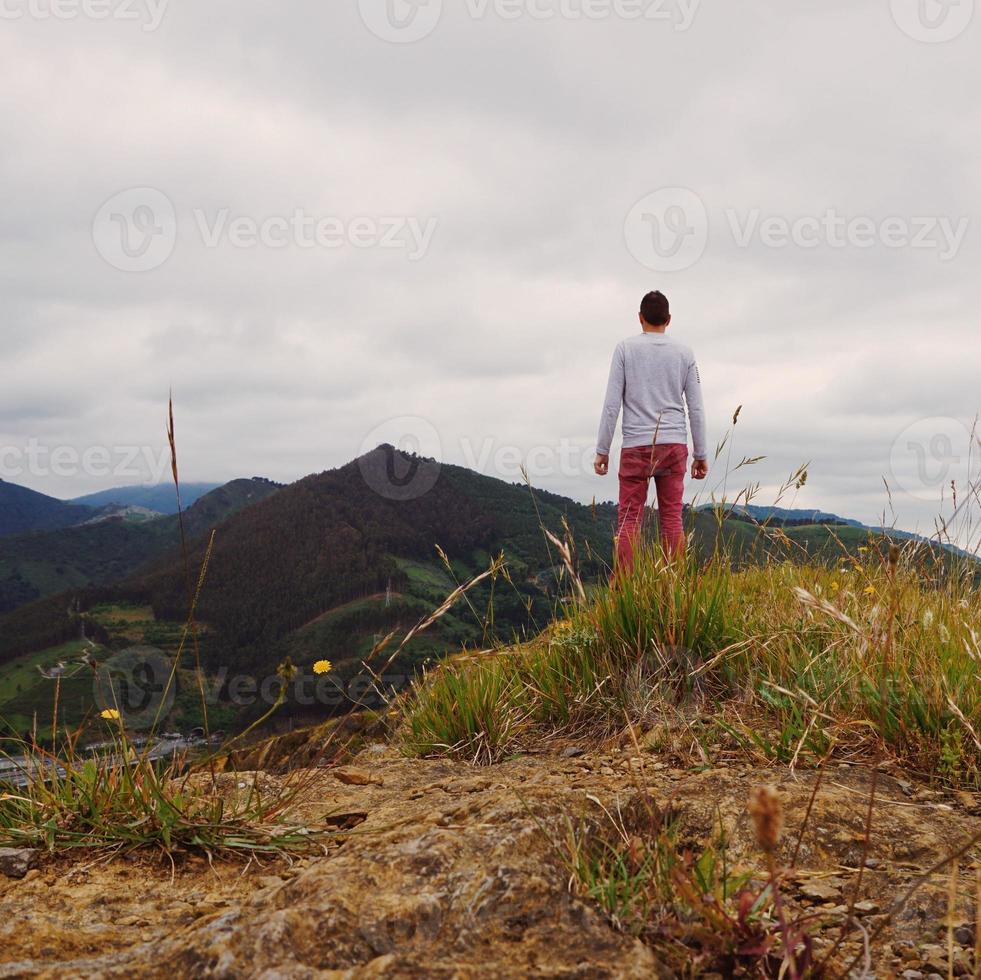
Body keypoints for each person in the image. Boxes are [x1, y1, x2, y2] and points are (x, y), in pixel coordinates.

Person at [594, 291, 708, 570]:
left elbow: (611, 404)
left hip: (635, 445)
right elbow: (696, 408)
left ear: (640, 318)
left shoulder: (625, 349)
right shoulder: (684, 353)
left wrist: (602, 449)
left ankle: (624, 591)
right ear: (668, 320)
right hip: (673, 444)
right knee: (671, 517)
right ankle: (675, 585)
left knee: (629, 520)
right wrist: (701, 453)